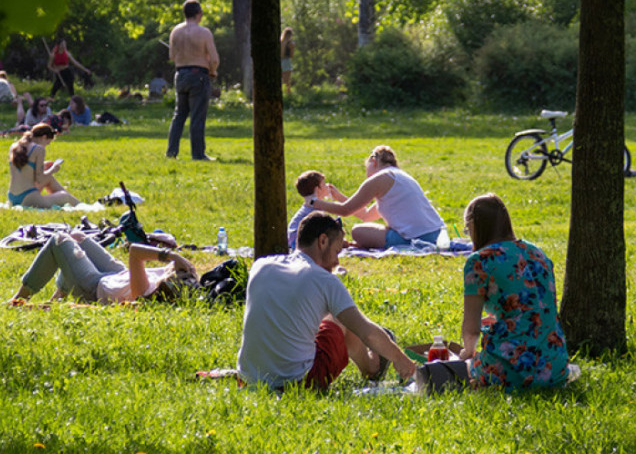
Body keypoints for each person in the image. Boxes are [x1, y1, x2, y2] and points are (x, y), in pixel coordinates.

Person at [236, 212, 418, 391]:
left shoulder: (260, 266)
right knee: (343, 319)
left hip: (248, 379)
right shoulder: (324, 280)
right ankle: (372, 368)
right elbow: (366, 332)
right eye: (336, 252)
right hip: (298, 383)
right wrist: (400, 359)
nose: (337, 261)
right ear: (322, 241)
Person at [457, 193, 570, 389]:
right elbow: (536, 308)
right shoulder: (537, 252)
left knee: (462, 369)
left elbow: (471, 329)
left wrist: (468, 352)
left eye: (468, 229)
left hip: (513, 368)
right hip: (555, 365)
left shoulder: (479, 261)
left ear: (475, 225)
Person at [308, 145, 445, 249]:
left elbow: (345, 211)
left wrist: (313, 202)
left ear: (373, 161)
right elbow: (367, 215)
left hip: (418, 239)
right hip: (438, 236)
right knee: (366, 227)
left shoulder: (379, 178)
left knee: (357, 231)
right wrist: (339, 197)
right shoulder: (400, 177)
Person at [9, 233, 197, 305]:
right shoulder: (166, 282)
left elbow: (135, 252)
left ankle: (20, 297)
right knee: (77, 237)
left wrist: (172, 255)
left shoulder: (145, 290)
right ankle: (58, 297)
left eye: (181, 275)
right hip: (117, 275)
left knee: (59, 240)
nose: (183, 271)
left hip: (94, 287)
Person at [166, 0, 219, 161]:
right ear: (199, 13)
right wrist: (213, 71)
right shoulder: (204, 32)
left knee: (179, 115)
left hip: (180, 74)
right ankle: (198, 154)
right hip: (199, 75)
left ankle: (171, 152)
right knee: (197, 116)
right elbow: (215, 59)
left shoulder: (175, 31)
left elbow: (172, 56)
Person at [7, 123, 80, 208]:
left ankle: (78, 203)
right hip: (28, 197)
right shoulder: (39, 149)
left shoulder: (14, 146)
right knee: (65, 197)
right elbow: (39, 179)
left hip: (12, 196)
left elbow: (23, 170)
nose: (45, 146)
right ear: (44, 137)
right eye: (47, 143)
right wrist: (53, 169)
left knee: (49, 179)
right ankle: (83, 206)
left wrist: (43, 165)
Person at [280, 27, 295, 94]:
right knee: (287, 82)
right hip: (286, 61)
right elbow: (291, 56)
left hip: (279, 61)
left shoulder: (280, 42)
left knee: (281, 81)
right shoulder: (291, 44)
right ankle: (288, 96)